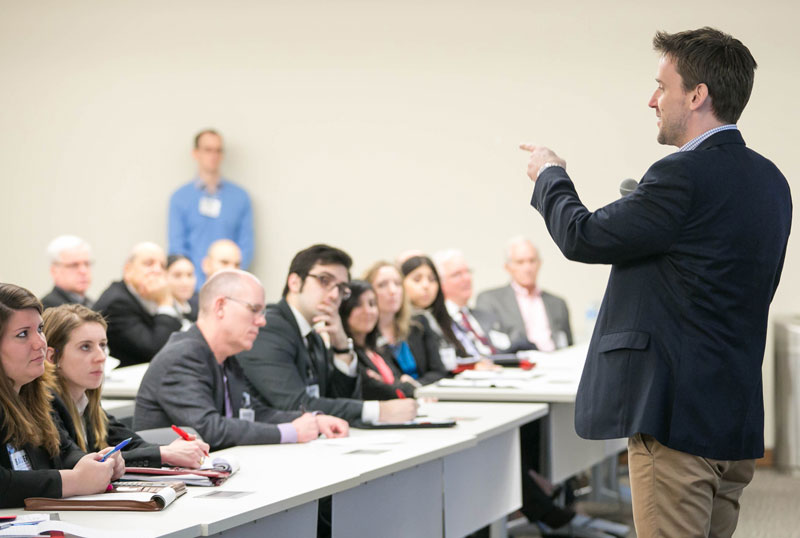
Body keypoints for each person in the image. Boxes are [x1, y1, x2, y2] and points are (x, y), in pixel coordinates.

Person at [521, 27, 791, 537]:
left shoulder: (681, 176)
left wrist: (549, 175)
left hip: (674, 419)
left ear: (696, 95)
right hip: (731, 417)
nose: (652, 100)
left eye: (662, 87)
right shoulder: (772, 183)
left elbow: (583, 236)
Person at [134, 270, 348, 451]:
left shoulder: (226, 357)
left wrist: (312, 420)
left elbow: (253, 412)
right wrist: (291, 432)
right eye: (254, 310)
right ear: (220, 306)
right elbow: (208, 429)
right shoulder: (182, 356)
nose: (262, 321)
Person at [238, 244, 417, 424]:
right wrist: (376, 410)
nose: (333, 295)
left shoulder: (314, 336)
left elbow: (339, 399)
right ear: (294, 282)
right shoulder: (269, 327)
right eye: (324, 280)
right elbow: (295, 405)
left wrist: (341, 347)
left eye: (341, 288)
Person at [0, 283, 123, 508]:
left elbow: (63, 451)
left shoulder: (37, 393)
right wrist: (75, 481)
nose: (39, 343)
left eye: (39, 329)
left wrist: (97, 464)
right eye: (22, 334)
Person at [43, 304, 209, 468]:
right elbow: (81, 463)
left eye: (102, 345)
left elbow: (132, 444)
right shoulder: (46, 407)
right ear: (52, 357)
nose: (101, 357)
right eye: (85, 347)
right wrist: (165, 454)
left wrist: (172, 450)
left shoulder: (86, 402)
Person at [168, 129, 254, 287]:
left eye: (218, 150)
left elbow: (246, 246)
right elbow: (177, 247)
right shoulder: (180, 198)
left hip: (230, 286)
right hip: (191, 289)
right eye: (208, 150)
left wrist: (228, 278)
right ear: (196, 153)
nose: (213, 155)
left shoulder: (240, 198)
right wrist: (193, 282)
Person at [93, 242, 182, 367]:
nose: (157, 270)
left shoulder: (148, 296)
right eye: (148, 263)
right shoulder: (117, 302)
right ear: (128, 270)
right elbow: (156, 351)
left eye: (162, 266)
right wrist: (165, 302)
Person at [476, 237, 573, 351]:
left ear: (539, 264)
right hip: (517, 365)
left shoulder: (558, 303)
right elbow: (490, 344)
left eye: (532, 261)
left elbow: (568, 344)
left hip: (557, 362)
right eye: (520, 262)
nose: (528, 268)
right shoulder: (490, 300)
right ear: (508, 267)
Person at [434, 249, 533, 355]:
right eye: (457, 274)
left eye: (468, 271)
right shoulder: (437, 321)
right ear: (440, 282)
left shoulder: (486, 317)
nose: (467, 278)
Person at [363, 261, 448, 385]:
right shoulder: (364, 334)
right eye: (382, 285)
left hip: (426, 396)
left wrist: (415, 385)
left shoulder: (418, 324)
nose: (393, 291)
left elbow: (439, 372)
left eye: (397, 284)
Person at [339, 280, 417, 400]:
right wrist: (400, 386)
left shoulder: (378, 349)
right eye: (357, 305)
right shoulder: (346, 355)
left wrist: (398, 385)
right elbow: (384, 392)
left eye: (372, 304)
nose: (368, 311)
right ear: (344, 309)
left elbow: (404, 382)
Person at [41, 235, 94, 309]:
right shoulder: (49, 309)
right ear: (54, 271)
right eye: (74, 265)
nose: (83, 271)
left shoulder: (91, 304)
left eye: (87, 264)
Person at [166, 254, 198, 324]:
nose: (185, 282)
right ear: (164, 277)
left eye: (189, 275)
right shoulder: (162, 312)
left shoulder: (199, 306)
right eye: (177, 275)